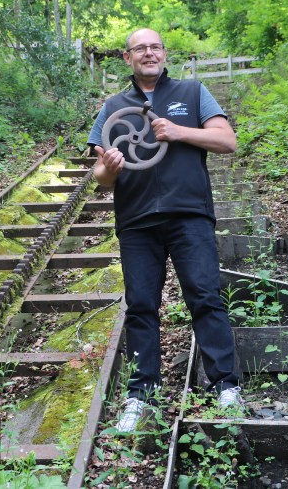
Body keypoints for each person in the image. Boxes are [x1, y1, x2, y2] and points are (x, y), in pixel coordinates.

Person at [88, 27, 243, 434]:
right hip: (137, 222)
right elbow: (100, 176)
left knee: (206, 297)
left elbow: (227, 141)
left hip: (189, 215)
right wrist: (110, 167)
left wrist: (177, 132)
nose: (149, 53)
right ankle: (141, 395)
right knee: (141, 306)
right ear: (128, 58)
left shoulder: (192, 93)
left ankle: (226, 386)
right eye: (140, 48)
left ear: (164, 53)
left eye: (155, 47)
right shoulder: (113, 106)